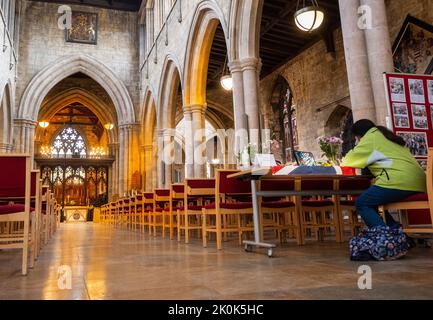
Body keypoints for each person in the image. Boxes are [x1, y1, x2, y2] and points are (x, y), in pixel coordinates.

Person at [341, 119, 426, 228]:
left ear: (358, 135)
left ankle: (384, 236)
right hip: (420, 183)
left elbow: (347, 161)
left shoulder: (371, 138)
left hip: (399, 182)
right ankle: (395, 231)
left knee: (362, 203)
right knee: (372, 201)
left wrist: (358, 145)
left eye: (356, 138)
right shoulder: (386, 136)